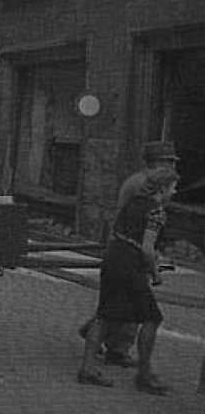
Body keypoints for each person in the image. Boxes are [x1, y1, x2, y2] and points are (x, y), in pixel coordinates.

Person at [77, 167, 179, 395]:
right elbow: (147, 249)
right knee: (152, 318)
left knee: (103, 315)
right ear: (162, 188)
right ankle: (144, 375)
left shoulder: (133, 202)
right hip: (130, 265)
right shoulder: (156, 212)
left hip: (113, 257)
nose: (175, 192)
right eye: (173, 187)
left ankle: (87, 369)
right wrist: (156, 274)